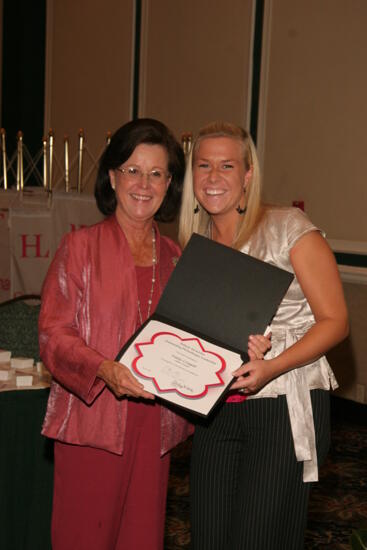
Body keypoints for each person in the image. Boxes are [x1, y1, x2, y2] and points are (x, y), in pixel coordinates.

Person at [178, 121, 349, 549]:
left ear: (248, 174)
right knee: (209, 538)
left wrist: (271, 365)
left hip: (281, 407)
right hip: (217, 409)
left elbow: (335, 321)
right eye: (203, 165)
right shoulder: (197, 241)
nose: (213, 177)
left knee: (260, 540)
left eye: (227, 165)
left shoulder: (287, 226)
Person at [38, 118, 193, 550]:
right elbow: (53, 335)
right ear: (112, 176)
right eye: (132, 170)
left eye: (157, 173)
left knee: (142, 539)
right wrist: (104, 369)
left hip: (155, 423)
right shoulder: (81, 248)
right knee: (84, 537)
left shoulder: (176, 258)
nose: (143, 184)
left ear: (169, 185)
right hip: (95, 416)